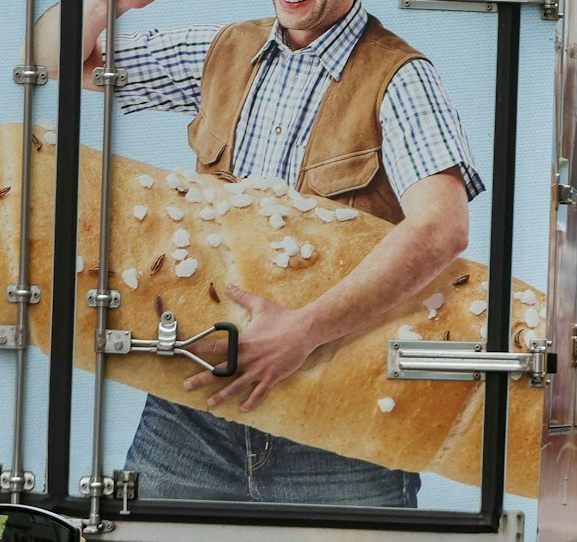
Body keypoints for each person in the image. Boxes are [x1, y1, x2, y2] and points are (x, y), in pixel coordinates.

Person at [36, 0, 484, 506]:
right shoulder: (222, 50)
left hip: (335, 426)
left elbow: (442, 227)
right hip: (193, 412)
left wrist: (304, 331)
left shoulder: (400, 78)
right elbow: (52, 59)